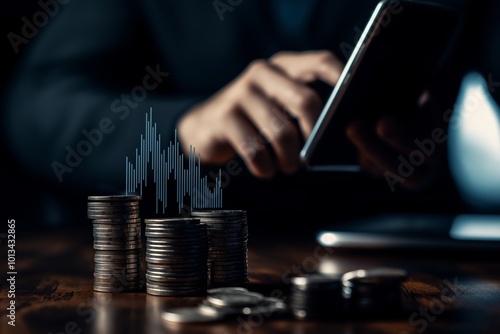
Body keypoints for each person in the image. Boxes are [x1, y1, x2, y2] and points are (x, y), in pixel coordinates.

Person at [2, 0, 474, 228]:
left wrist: (442, 134)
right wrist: (183, 127)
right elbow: (36, 106)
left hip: (404, 246)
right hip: (191, 252)